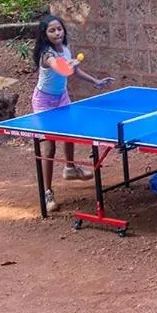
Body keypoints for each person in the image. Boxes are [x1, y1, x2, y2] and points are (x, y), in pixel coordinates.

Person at [31, 14, 114, 212]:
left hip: (61, 97)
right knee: (49, 147)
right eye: (52, 30)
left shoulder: (65, 49)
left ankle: (69, 168)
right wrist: (70, 65)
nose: (57, 33)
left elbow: (73, 71)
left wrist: (95, 81)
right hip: (44, 102)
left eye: (59, 29)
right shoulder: (47, 55)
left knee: (69, 133)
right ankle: (47, 192)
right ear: (45, 34)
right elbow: (61, 69)